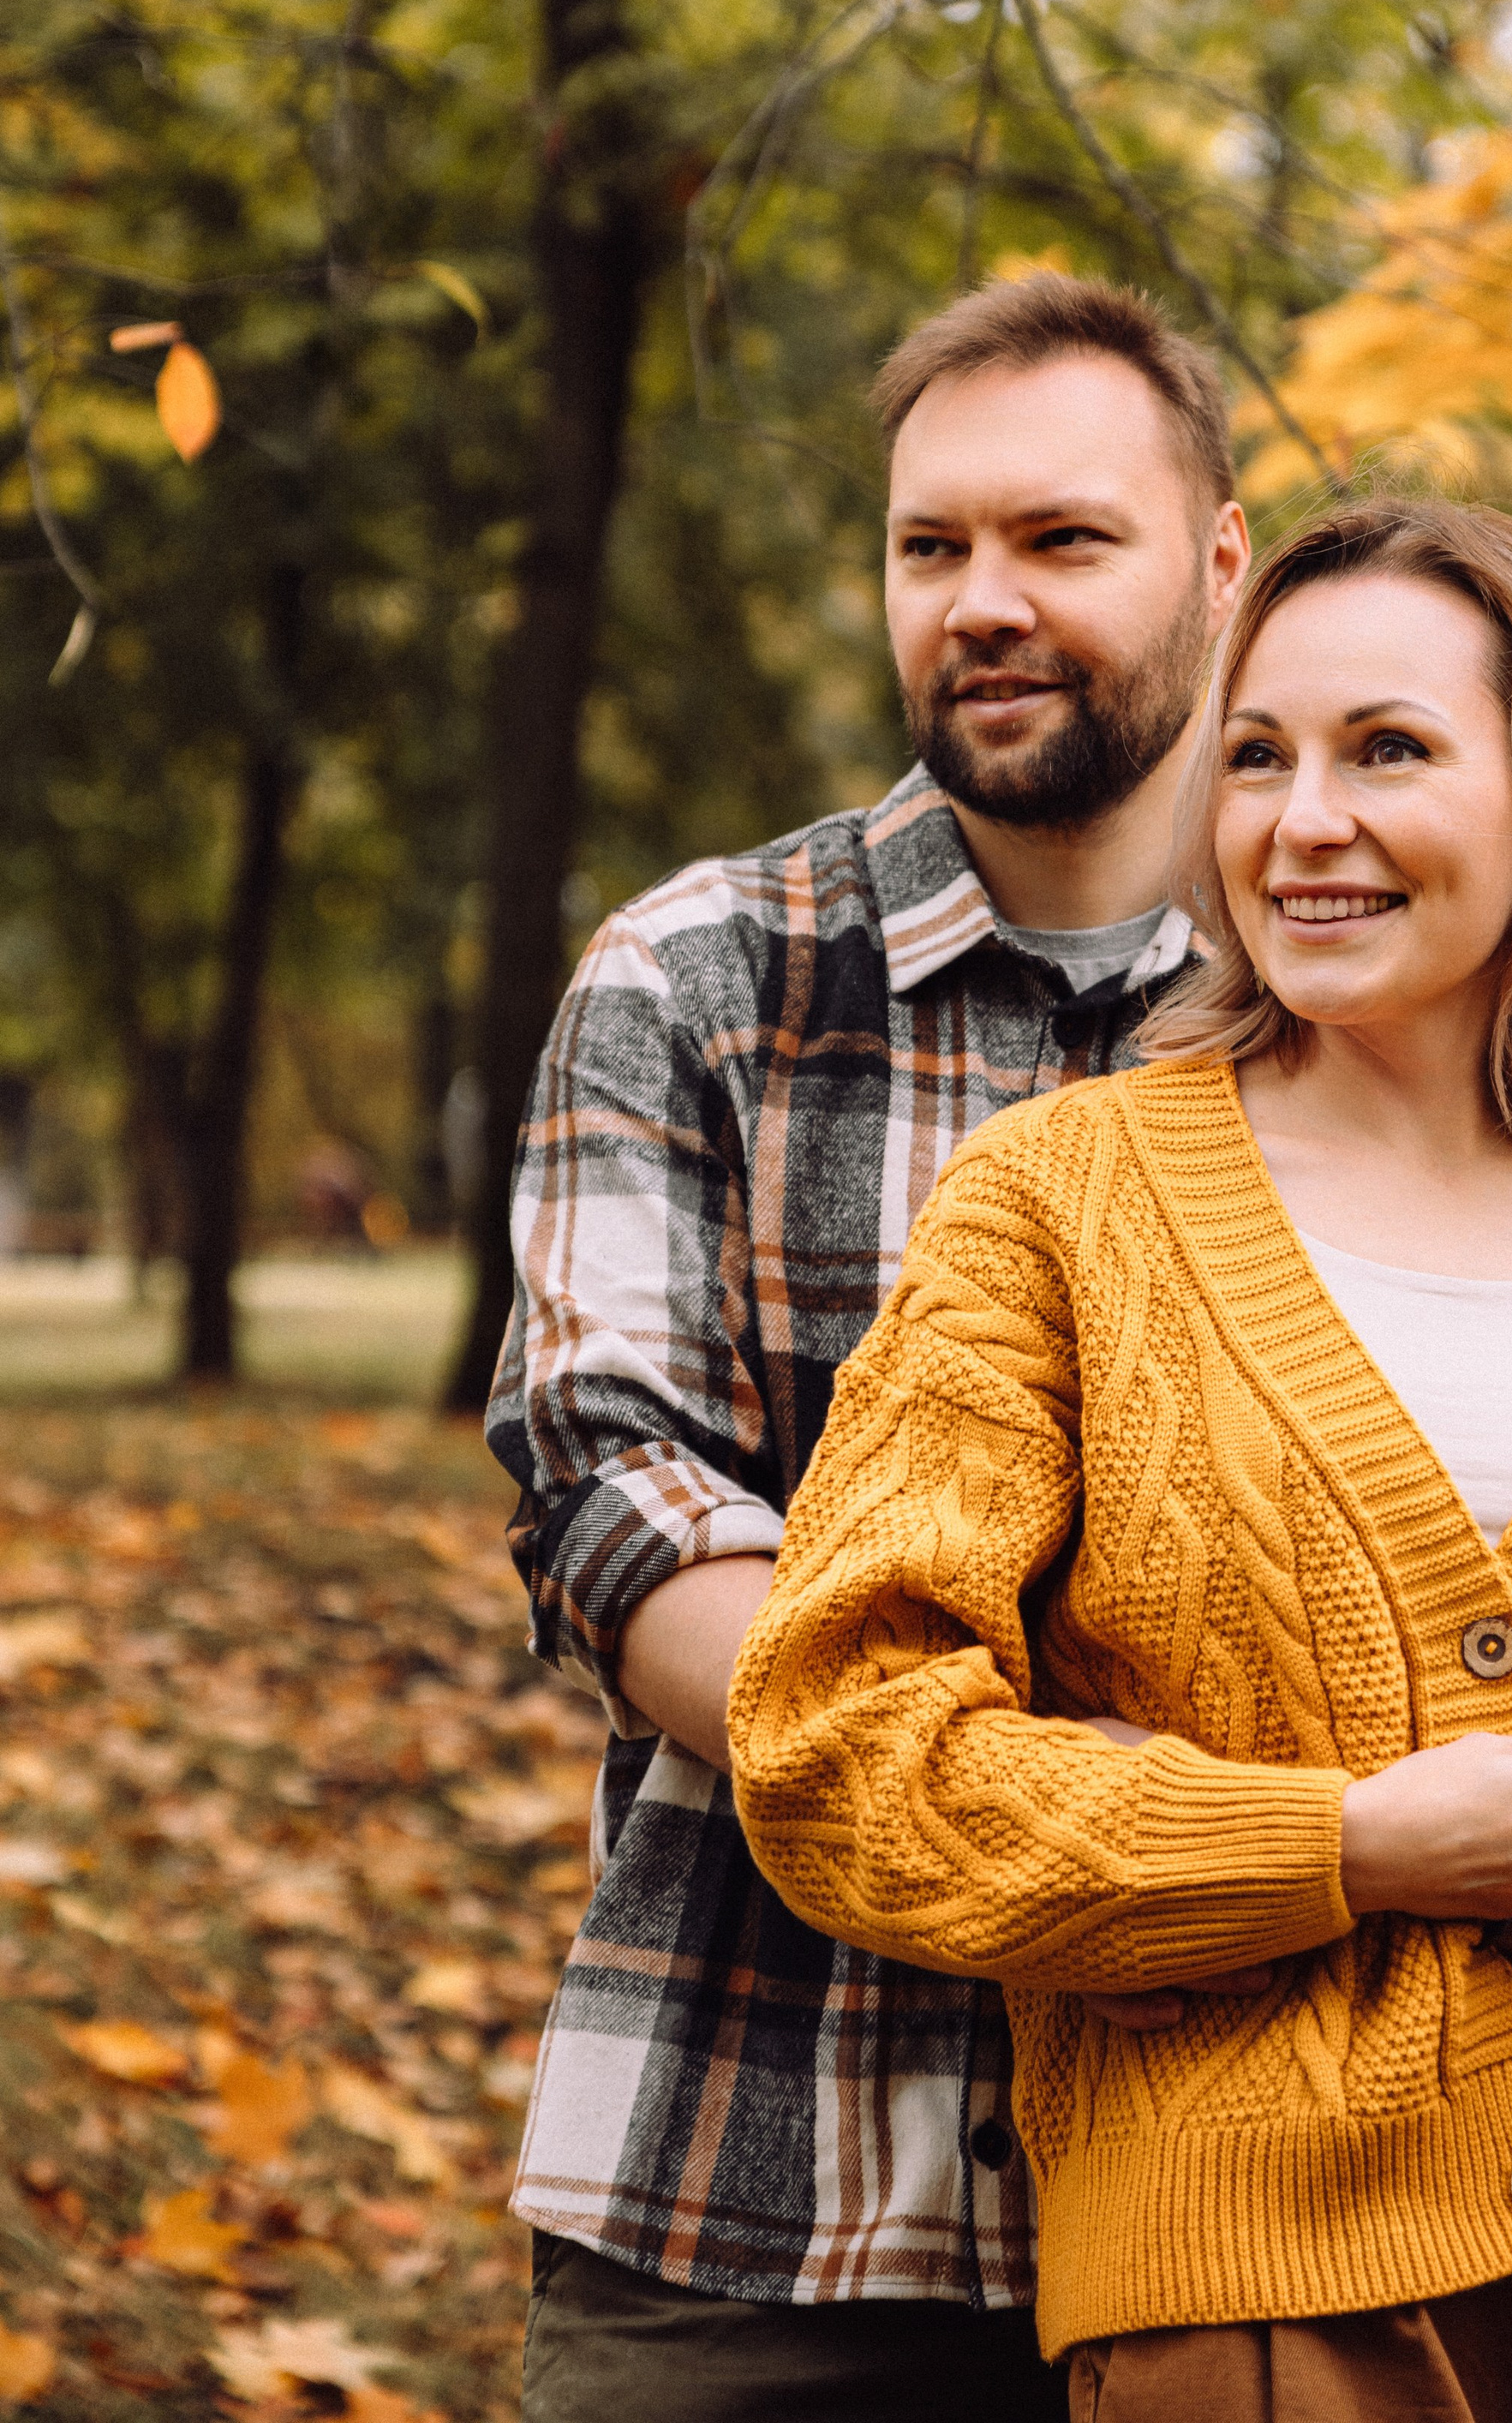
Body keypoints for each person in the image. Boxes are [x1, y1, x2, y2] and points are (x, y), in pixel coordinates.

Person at [728, 495, 1512, 2421]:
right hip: (1265, 2303)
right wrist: (1343, 1848)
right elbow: (837, 1751)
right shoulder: (1056, 1209)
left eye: (1387, 748)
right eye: (1256, 757)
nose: (1303, 821)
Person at [488, 273, 1252, 2421]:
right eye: (932, 548)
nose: (980, 602)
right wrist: (1110, 1812)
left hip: (1254, 2180)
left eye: (1060, 540)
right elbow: (618, 1512)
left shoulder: (1348, 1019)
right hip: (757, 2187)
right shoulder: (699, 981)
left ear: (1218, 564)